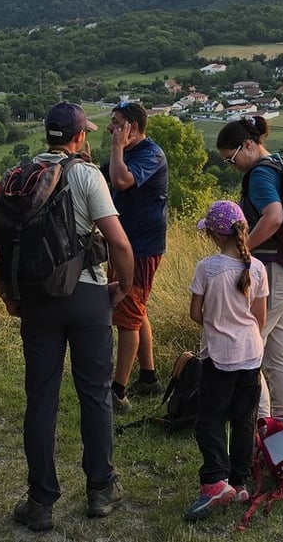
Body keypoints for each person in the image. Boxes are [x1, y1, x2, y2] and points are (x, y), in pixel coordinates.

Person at [0, 101, 135, 533]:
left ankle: (40, 502)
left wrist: (8, 296)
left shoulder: (17, 176)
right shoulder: (86, 174)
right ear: (79, 137)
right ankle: (101, 489)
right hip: (86, 297)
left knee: (41, 398)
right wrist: (122, 286)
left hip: (36, 303)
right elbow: (119, 243)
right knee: (95, 393)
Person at [183, 201, 268, 520]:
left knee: (209, 419)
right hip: (251, 354)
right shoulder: (257, 268)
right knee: (244, 419)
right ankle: (240, 481)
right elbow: (259, 318)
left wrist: (215, 323)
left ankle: (215, 480)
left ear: (216, 236)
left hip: (218, 357)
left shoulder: (207, 268)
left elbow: (195, 313)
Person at [217, 115, 283, 417]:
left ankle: (262, 425)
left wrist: (241, 251)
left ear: (248, 145)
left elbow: (274, 216)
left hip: (272, 270)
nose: (233, 166)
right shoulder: (281, 163)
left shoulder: (259, 174)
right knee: (280, 350)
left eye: (231, 159)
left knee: (250, 348)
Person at [104, 100, 168, 411]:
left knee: (127, 316)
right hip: (125, 243)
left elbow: (121, 181)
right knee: (136, 308)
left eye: (116, 123)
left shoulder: (150, 154)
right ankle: (148, 377)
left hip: (140, 247)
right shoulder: (127, 152)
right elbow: (104, 178)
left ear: (132, 127)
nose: (110, 128)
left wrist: (117, 147)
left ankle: (117, 392)